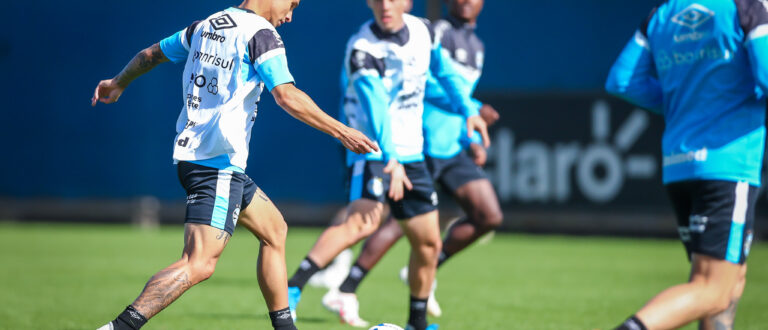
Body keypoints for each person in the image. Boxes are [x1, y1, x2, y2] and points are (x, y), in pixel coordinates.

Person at [91, 1, 377, 329]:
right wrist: (342, 131)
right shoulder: (261, 34)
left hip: (202, 158)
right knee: (198, 263)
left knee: (274, 231)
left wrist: (118, 82)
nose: (290, 16)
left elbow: (149, 55)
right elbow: (286, 95)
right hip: (218, 164)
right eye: (293, 4)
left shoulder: (206, 25)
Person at [284, 0, 490, 329]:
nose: (385, 5)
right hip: (370, 147)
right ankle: (292, 288)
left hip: (412, 152)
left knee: (428, 241)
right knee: (362, 223)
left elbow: (444, 73)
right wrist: (390, 157)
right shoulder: (362, 47)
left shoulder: (423, 31)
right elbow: (375, 104)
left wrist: (469, 110)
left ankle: (417, 323)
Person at [606, 0, 768, 329]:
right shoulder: (748, 6)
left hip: (680, 167)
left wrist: (687, 106)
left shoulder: (661, 13)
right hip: (727, 164)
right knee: (713, 289)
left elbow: (622, 80)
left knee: (729, 279)